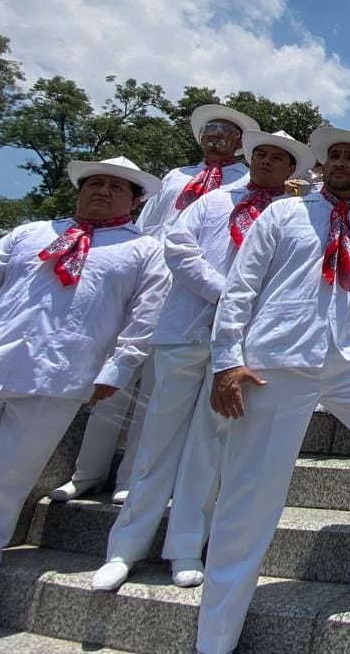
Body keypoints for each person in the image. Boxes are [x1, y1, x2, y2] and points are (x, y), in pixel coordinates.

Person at [195, 127, 350, 654]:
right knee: (249, 496)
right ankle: (216, 634)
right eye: (336, 157)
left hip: (348, 360)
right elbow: (240, 289)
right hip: (275, 361)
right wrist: (227, 361)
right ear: (323, 166)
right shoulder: (281, 214)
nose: (343, 164)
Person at [0, 157, 168, 643]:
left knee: (0, 495)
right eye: (95, 183)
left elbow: (144, 318)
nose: (102, 191)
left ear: (135, 201)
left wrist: (116, 370)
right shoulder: (30, 233)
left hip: (56, 380)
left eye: (116, 187)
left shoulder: (141, 249)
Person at [90, 131, 314, 594]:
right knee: (157, 440)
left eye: (279, 159)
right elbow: (179, 247)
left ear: (291, 170)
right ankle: (124, 547)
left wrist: (242, 309)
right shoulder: (213, 200)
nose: (267, 163)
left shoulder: (295, 216)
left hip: (239, 344)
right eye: (261, 154)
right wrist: (225, 292)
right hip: (185, 330)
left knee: (211, 445)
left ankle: (186, 544)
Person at [50, 105, 258, 506]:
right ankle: (86, 472)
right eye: (210, 129)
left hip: (190, 286)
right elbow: (145, 225)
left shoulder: (242, 181)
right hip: (148, 273)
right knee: (115, 375)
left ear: (239, 143)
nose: (216, 136)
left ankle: (131, 476)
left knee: (155, 388)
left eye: (226, 132)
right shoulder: (177, 176)